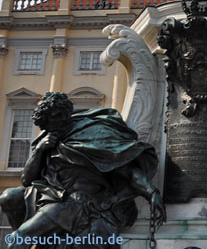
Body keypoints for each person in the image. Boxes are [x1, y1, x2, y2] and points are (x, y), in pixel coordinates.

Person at [0, 92, 165, 244]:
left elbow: (126, 167)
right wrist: (40, 150)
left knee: (19, 238)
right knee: (8, 197)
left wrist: (151, 191)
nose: (49, 127)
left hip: (74, 200)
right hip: (48, 193)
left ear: (62, 115)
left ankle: (30, 237)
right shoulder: (48, 137)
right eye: (46, 123)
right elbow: (26, 179)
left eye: (52, 120)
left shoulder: (93, 132)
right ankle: (37, 240)